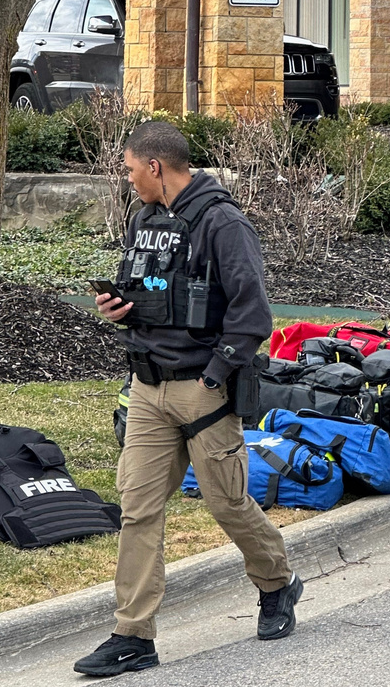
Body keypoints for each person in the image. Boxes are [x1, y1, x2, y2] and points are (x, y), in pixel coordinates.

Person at [76, 121, 301, 676]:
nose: (129, 180)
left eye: (131, 170)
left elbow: (253, 314)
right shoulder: (143, 218)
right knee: (138, 509)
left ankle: (277, 582)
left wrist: (214, 377)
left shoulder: (224, 223)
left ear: (155, 167)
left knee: (227, 503)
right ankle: (133, 635)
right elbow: (148, 294)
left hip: (203, 390)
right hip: (147, 389)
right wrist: (118, 308)